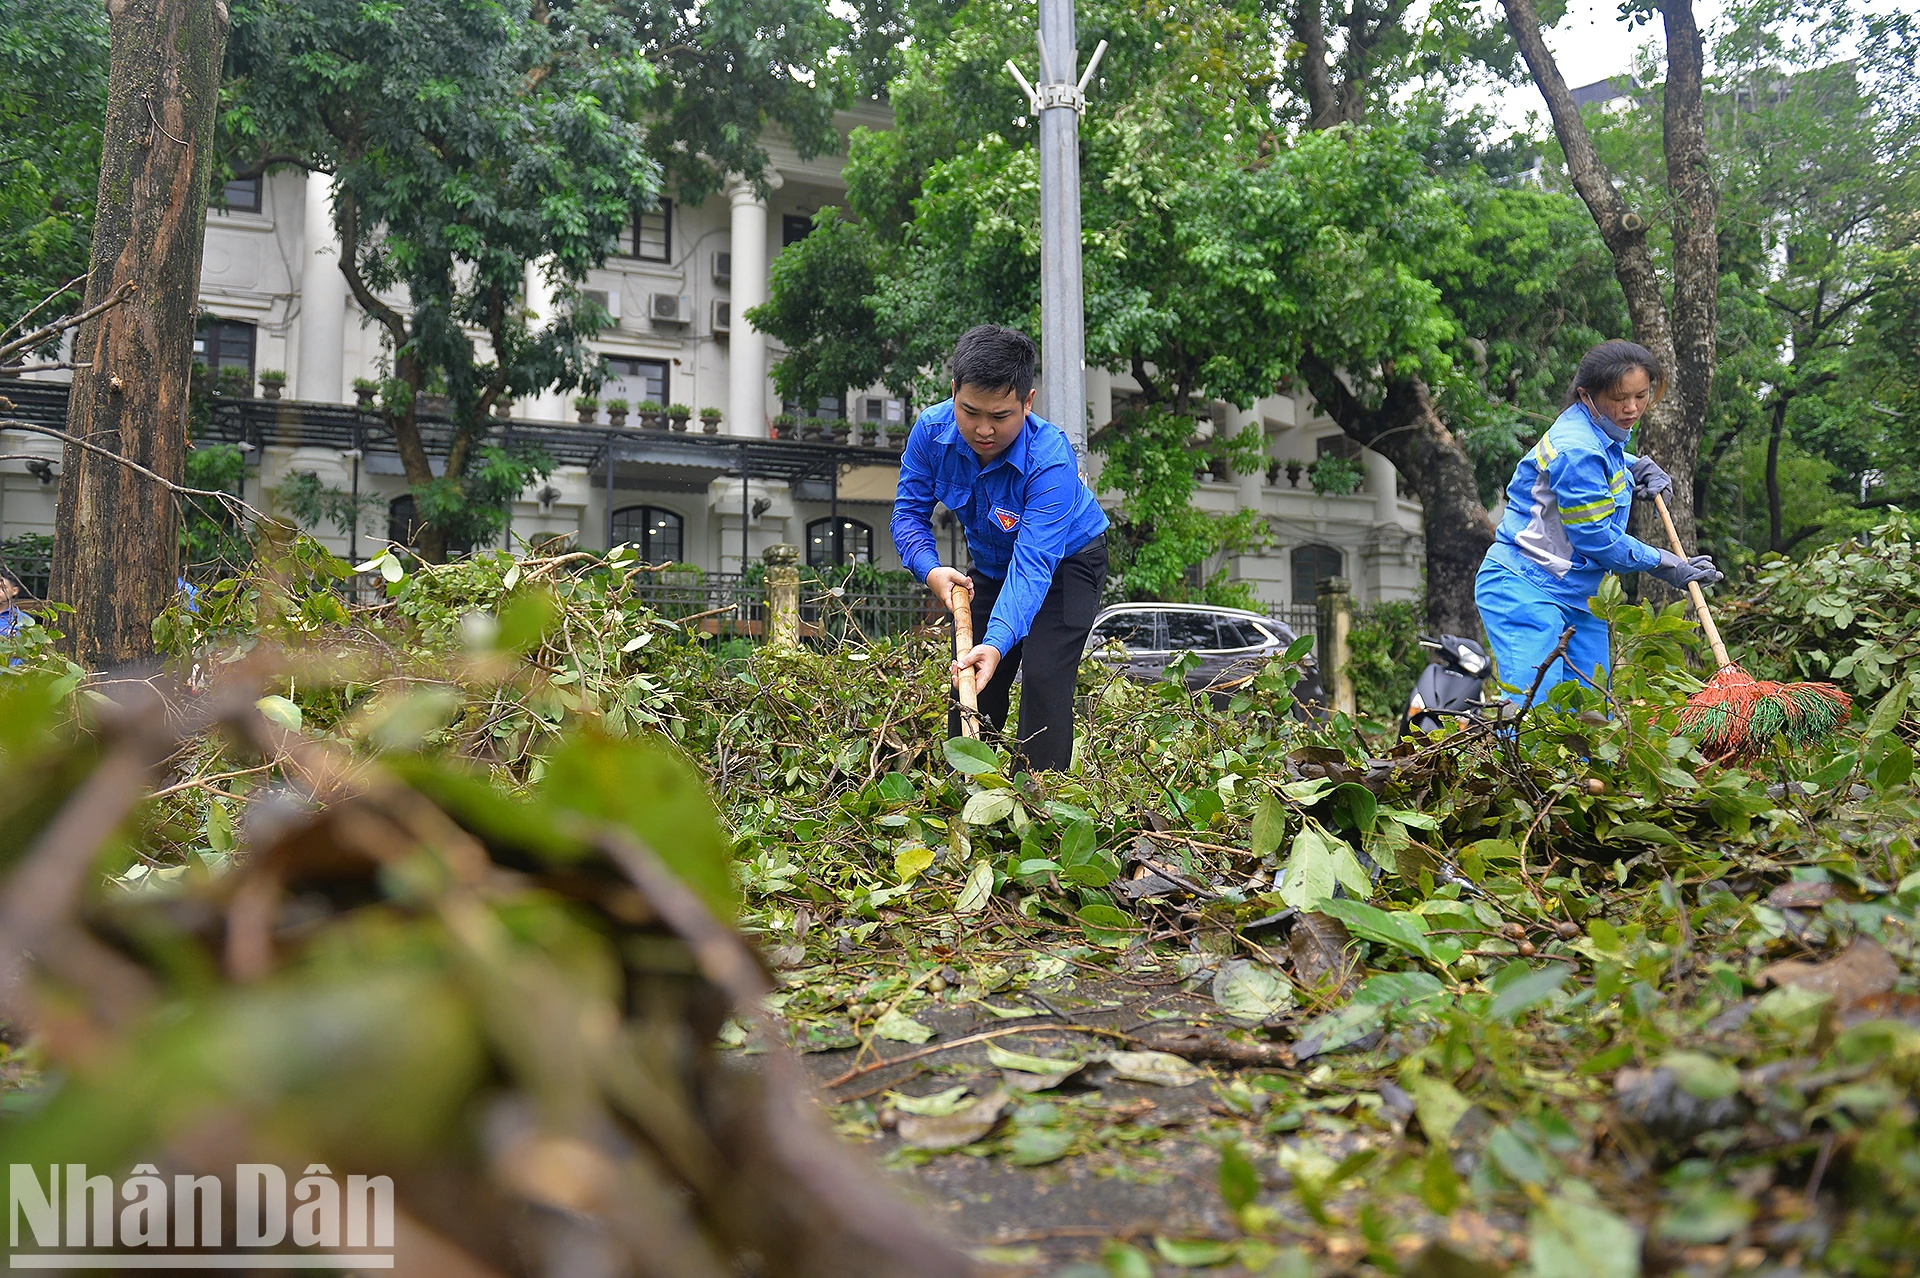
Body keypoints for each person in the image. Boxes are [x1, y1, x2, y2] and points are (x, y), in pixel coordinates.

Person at [891, 325, 1110, 771]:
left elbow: (1033, 566)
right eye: (970, 412)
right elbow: (908, 515)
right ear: (953, 392)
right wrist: (932, 571)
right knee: (971, 677)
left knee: (1044, 676)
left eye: (1002, 416)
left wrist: (997, 643)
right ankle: (965, 792)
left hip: (1067, 564)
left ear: (1028, 404)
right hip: (991, 564)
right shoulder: (930, 433)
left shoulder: (1050, 459)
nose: (984, 430)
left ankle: (1037, 799)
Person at [1475, 339, 1722, 703]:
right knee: (1536, 715)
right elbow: (1596, 538)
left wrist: (1631, 465)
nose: (1632, 408)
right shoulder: (1577, 448)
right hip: (1524, 588)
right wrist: (1667, 564)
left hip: (1577, 596)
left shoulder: (1598, 430)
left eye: (1641, 396)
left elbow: (1602, 459)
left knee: (1594, 719)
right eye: (1620, 398)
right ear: (1586, 395)